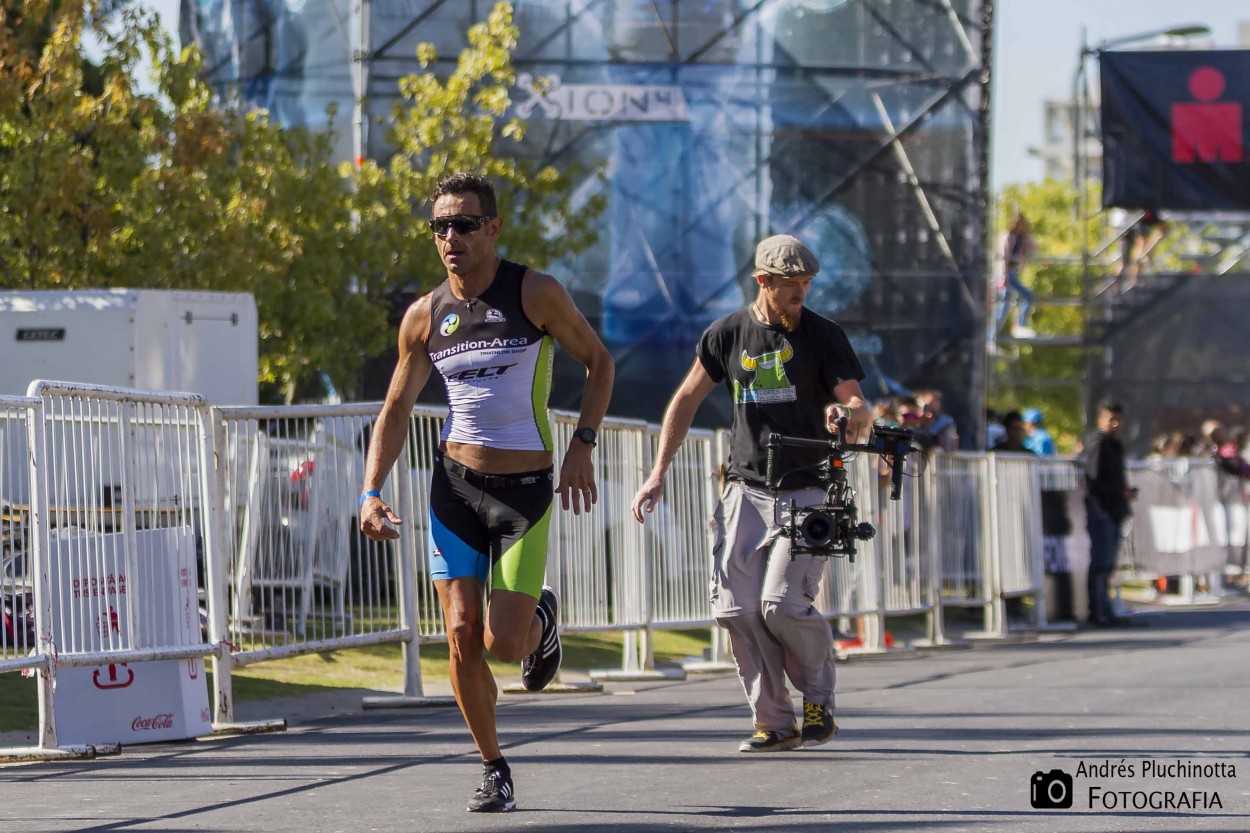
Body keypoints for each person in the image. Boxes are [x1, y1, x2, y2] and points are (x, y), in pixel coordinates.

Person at [358, 172, 615, 813]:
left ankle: (539, 621)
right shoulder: (425, 316)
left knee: (503, 641)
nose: (451, 237)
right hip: (454, 487)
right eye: (440, 226)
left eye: (464, 225)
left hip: (524, 492)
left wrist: (582, 445)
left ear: (493, 228)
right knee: (460, 634)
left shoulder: (536, 293)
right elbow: (394, 409)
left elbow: (599, 362)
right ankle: (494, 768)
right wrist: (370, 491)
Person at [630, 234, 870, 753]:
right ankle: (774, 721)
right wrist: (658, 472)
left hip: (808, 491)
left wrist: (844, 415)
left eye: (806, 285)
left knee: (781, 605)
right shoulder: (727, 334)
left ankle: (817, 702)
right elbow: (686, 399)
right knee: (736, 608)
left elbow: (858, 405)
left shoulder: (824, 336)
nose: (800, 295)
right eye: (790, 287)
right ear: (762, 282)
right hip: (745, 490)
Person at [1083, 400, 1136, 628]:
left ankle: (1106, 610)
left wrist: (1124, 494)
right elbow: (1093, 480)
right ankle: (1096, 612)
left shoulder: (1116, 445)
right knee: (1101, 564)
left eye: (1118, 419)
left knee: (1108, 564)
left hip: (1115, 510)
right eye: (1110, 419)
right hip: (1101, 509)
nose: (1115, 424)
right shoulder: (1098, 444)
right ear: (1100, 421)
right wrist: (1119, 493)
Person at [994, 213, 1037, 340]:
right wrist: (1002, 277)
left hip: (1013, 274)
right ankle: (1020, 325)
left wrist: (1027, 238)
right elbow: (1003, 256)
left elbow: (1035, 247)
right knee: (1027, 296)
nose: (1022, 227)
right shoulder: (1007, 236)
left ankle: (992, 337)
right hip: (1006, 274)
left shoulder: (1022, 239)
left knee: (1005, 306)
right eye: (1021, 224)